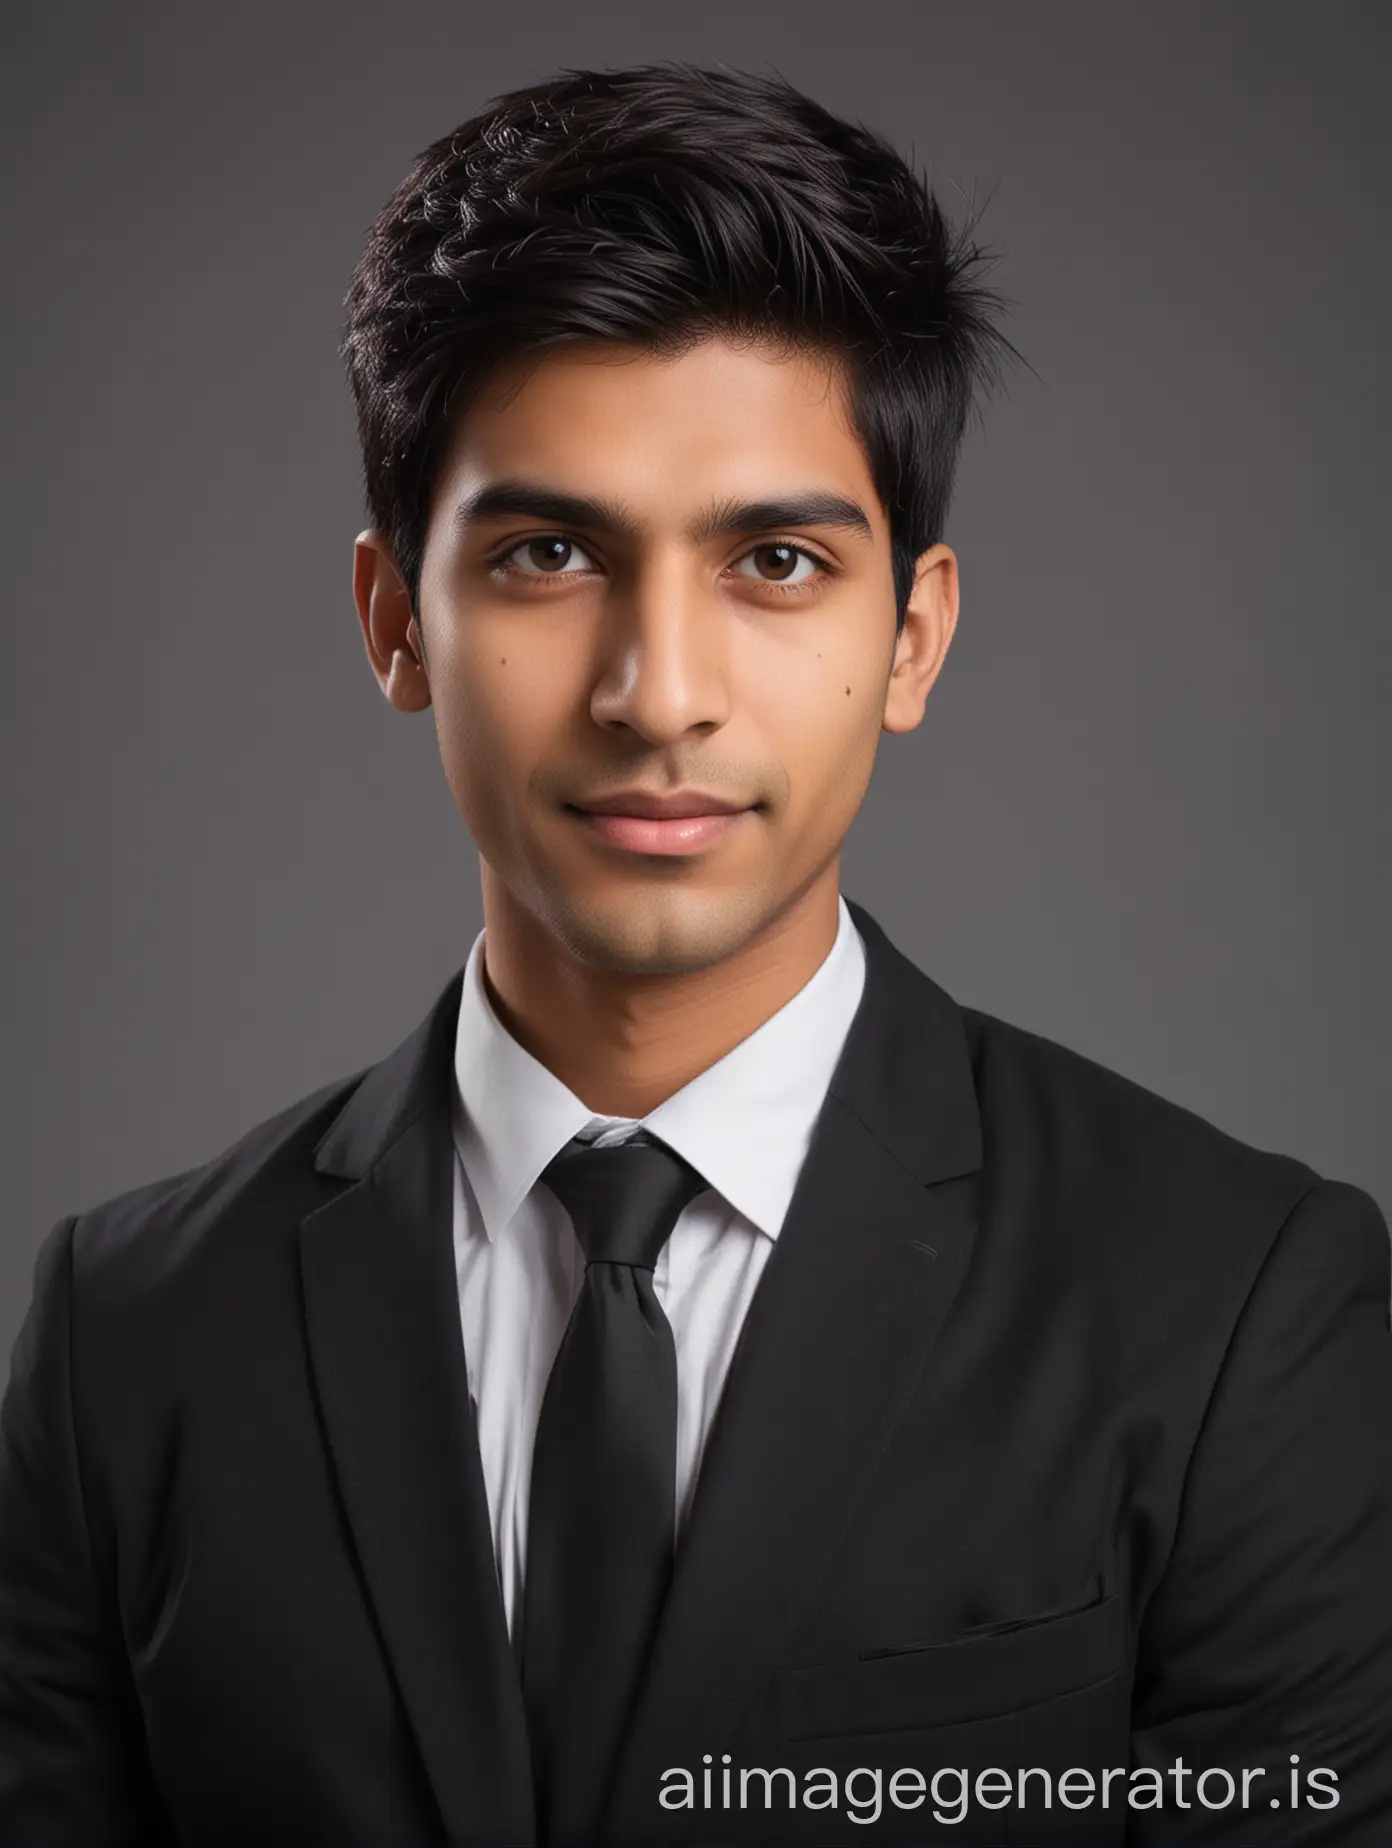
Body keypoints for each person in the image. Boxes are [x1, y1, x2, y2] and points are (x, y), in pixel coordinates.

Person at [1, 62, 1389, 1848]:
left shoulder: (1231, 1311)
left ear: (913, 636)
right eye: (550, 551)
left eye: (780, 562)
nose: (657, 692)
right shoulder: (132, 1340)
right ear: (391, 621)